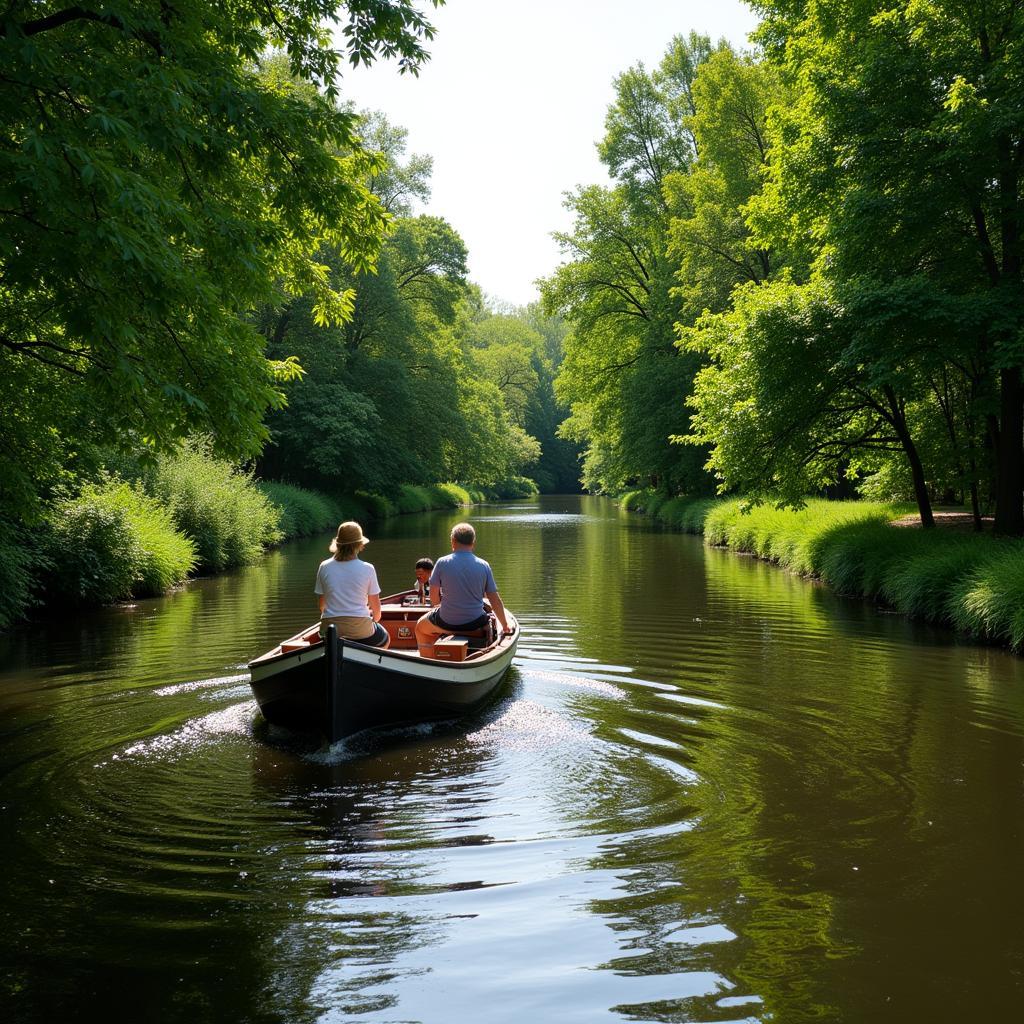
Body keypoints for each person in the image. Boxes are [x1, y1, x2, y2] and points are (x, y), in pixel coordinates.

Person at [415, 522, 509, 655]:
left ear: (453, 541)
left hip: (446, 622)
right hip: (475, 622)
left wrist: (439, 606)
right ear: (473, 542)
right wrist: (505, 626)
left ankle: (430, 660)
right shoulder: (484, 565)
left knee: (420, 627)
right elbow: (495, 600)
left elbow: (434, 596)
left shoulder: (442, 562)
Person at [314, 521, 390, 648]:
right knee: (385, 638)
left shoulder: (324, 567)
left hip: (329, 628)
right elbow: (377, 612)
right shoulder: (368, 569)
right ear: (359, 545)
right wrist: (372, 622)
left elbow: (322, 605)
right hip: (360, 629)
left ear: (337, 544)